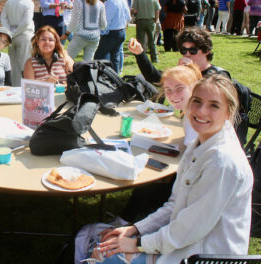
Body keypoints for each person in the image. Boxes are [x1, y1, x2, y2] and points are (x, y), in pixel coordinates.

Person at [78, 74, 253, 264]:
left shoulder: (222, 162)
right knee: (98, 239)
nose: (202, 111)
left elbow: (189, 230)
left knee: (102, 255)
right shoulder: (200, 144)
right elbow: (175, 205)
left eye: (214, 105)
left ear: (229, 113)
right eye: (197, 101)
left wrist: (137, 244)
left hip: (204, 255)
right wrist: (135, 229)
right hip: (183, 241)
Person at [118, 63, 202, 224]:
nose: (172, 95)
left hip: (193, 186)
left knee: (150, 172)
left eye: (179, 88)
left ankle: (127, 219)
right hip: (187, 169)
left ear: (194, 87)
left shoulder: (197, 116)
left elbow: (197, 156)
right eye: (168, 90)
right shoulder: (190, 110)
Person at [0, 0, 35, 87]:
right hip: (24, 34)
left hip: (11, 35)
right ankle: (26, 87)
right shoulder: (29, 3)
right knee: (25, 64)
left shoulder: (8, 2)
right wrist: (14, 33)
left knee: (13, 65)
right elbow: (26, 22)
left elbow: (3, 18)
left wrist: (9, 32)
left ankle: (14, 87)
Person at [93, 0, 131, 74]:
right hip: (121, 32)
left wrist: (102, 32)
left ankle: (103, 77)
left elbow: (106, 21)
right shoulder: (123, 1)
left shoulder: (110, 2)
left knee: (99, 57)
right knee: (115, 58)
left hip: (111, 33)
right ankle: (115, 79)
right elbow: (128, 18)